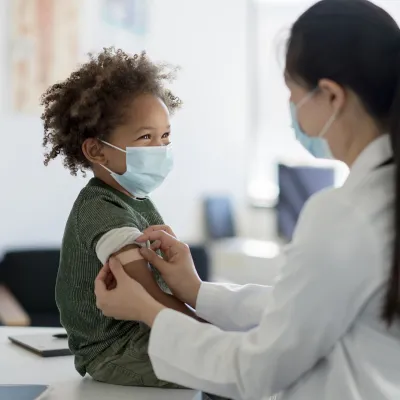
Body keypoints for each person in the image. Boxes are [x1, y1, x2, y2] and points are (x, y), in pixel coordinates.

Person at [94, 1, 400, 399]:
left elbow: (257, 369)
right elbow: (302, 307)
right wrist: (196, 290)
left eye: (293, 93)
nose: (291, 110)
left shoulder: (344, 214)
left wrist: (149, 312)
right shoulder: (376, 198)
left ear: (330, 96)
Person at [41, 48, 197, 387]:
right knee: (223, 370)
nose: (160, 149)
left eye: (165, 136)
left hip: (147, 333)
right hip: (116, 350)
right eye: (145, 138)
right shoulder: (101, 209)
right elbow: (148, 294)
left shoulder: (136, 199)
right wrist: (210, 334)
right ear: (97, 150)